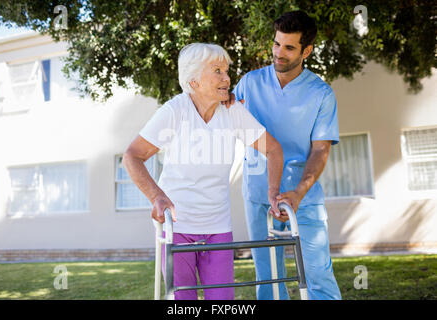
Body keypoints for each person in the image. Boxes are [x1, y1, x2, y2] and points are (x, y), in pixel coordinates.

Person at [123, 43, 284, 300]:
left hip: (218, 228)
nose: (227, 78)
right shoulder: (175, 111)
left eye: (227, 70)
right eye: (217, 71)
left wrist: (273, 193)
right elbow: (132, 156)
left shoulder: (233, 111)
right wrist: (156, 196)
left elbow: (274, 150)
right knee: (183, 303)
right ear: (194, 81)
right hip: (178, 227)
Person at [231, 10, 342, 300]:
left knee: (318, 274)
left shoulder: (321, 93)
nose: (279, 53)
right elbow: (226, 126)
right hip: (257, 195)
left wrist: (298, 192)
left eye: (289, 47)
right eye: (277, 44)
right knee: (267, 279)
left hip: (303, 197)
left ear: (307, 50)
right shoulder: (248, 83)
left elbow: (320, 149)